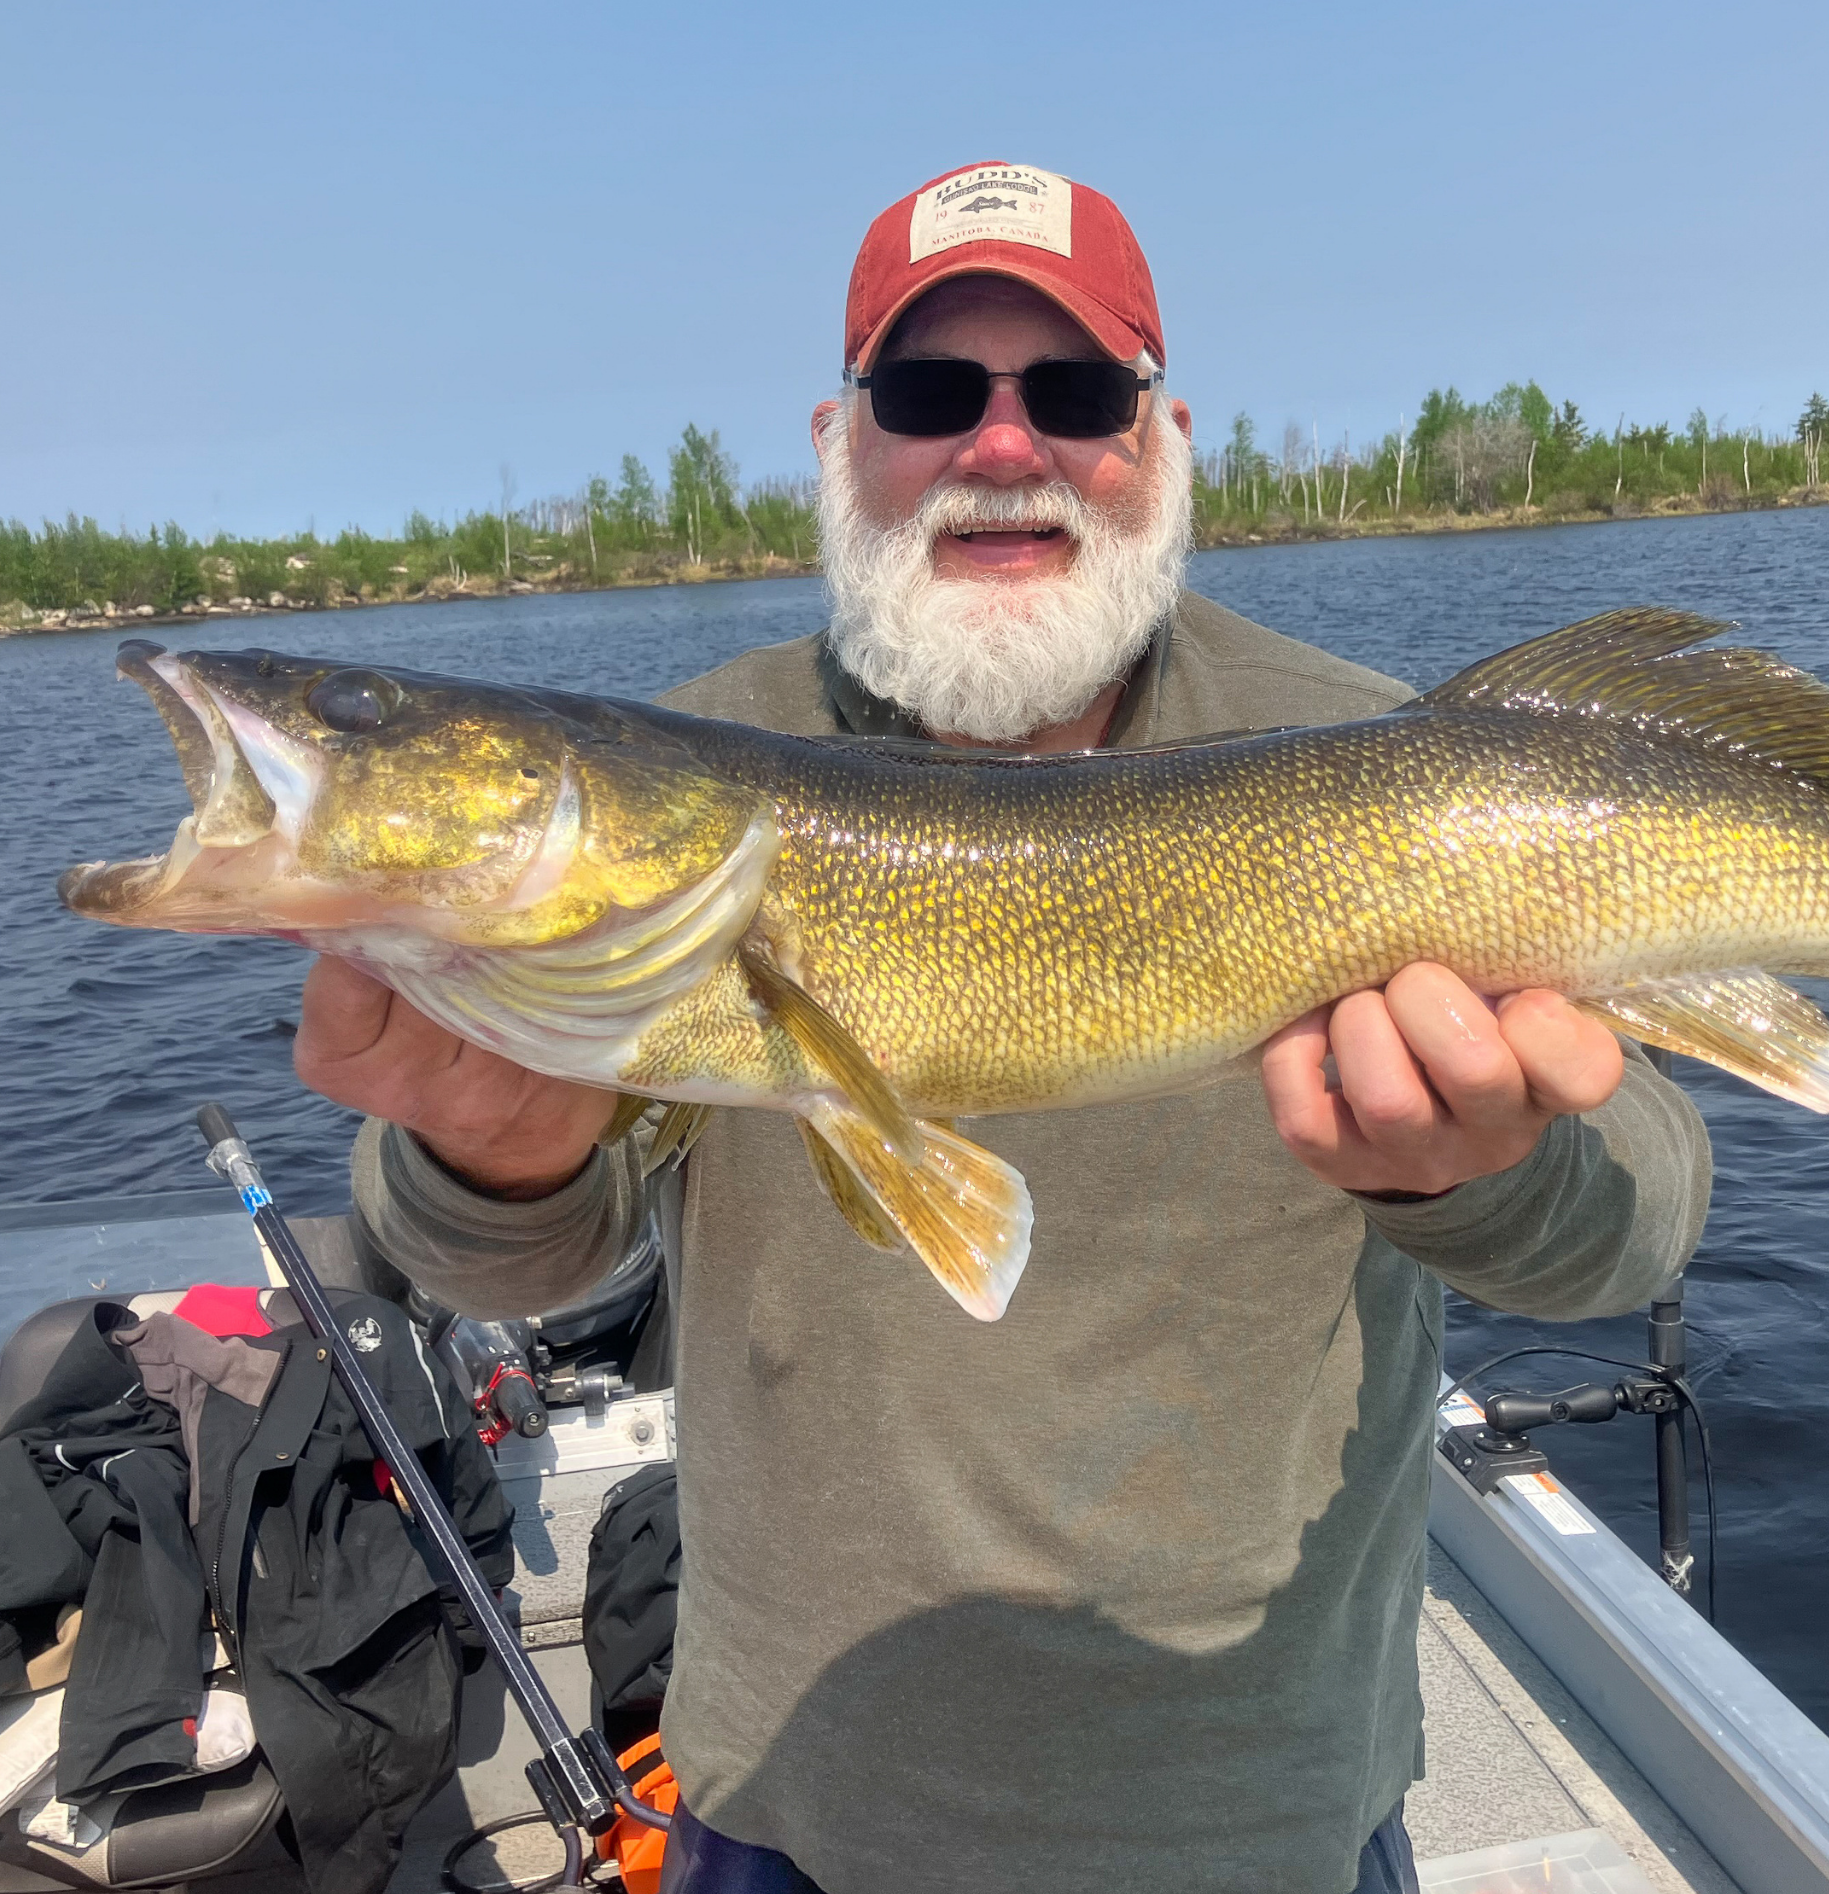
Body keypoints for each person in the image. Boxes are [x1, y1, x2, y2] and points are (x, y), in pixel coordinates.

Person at [307, 161, 1711, 1894]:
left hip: (1261, 1815)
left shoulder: (1378, 753)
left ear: (1165, 431)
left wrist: (1481, 1180)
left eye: (1071, 392)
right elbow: (504, 1251)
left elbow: (1649, 1204)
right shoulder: (678, 771)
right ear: (839, 441)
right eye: (925, 393)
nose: (998, 447)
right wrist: (489, 1159)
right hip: (794, 1802)